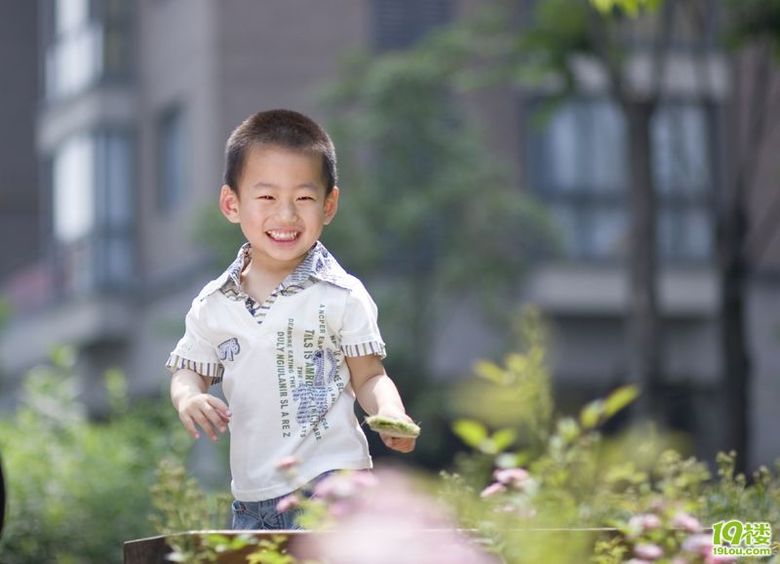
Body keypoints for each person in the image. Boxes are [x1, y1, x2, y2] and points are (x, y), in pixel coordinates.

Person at [166, 109, 416, 530]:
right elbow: (188, 371)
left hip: (332, 483)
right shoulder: (213, 304)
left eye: (303, 198)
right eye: (266, 198)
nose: (285, 216)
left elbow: (369, 376)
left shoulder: (341, 294)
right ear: (232, 203)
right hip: (251, 498)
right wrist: (188, 398)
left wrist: (391, 411)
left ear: (329, 204)